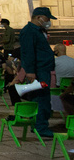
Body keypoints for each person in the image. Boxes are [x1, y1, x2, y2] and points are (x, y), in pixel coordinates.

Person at [19, 7, 57, 141]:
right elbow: (28, 52)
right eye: (47, 18)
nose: (48, 21)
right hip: (39, 71)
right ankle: (41, 127)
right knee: (42, 99)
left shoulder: (37, 31)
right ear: (39, 17)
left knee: (38, 98)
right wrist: (30, 71)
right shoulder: (29, 31)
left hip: (42, 70)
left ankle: (36, 124)